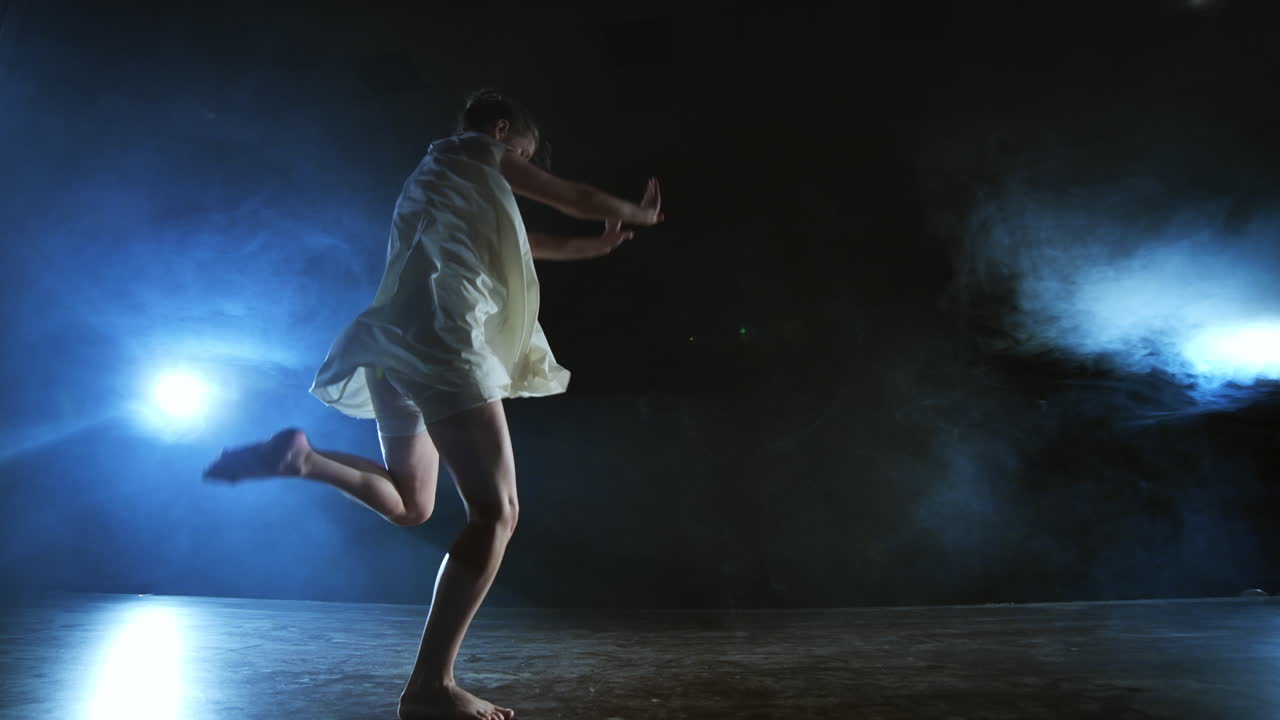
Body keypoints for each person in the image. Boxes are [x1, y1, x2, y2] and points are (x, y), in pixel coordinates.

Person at [203, 88, 663, 720]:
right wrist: (635, 214)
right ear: (502, 132)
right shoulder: (479, 150)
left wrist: (598, 245)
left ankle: (307, 461)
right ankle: (431, 686)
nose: (522, 166)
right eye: (523, 155)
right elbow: (569, 196)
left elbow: (526, 242)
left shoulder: (433, 177)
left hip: (396, 345)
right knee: (496, 512)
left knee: (414, 504)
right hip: (446, 342)